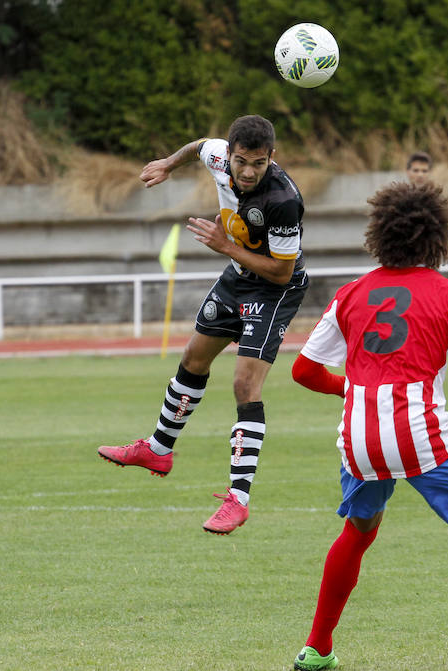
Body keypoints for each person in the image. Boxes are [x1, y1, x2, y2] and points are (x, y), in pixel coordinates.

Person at [289, 181, 448, 671]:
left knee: (358, 533)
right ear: (436, 238)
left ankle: (317, 648)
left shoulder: (350, 294)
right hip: (419, 433)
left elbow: (303, 371)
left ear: (379, 234)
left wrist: (355, 389)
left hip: (358, 440)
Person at [97, 114, 309, 535]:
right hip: (237, 275)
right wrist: (167, 164)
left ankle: (238, 499)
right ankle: (158, 449)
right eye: (242, 161)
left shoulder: (284, 199)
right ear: (228, 154)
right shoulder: (216, 156)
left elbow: (282, 273)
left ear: (273, 158)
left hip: (274, 289)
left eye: (260, 163)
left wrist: (225, 246)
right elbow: (197, 145)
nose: (248, 172)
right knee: (194, 358)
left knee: (244, 385)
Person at [405, 151, 448, 282]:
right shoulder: (396, 202)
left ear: (429, 173)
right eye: (416, 170)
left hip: (429, 270)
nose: (420, 174)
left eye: (424, 171)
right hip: (402, 269)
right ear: (408, 171)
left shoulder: (438, 203)